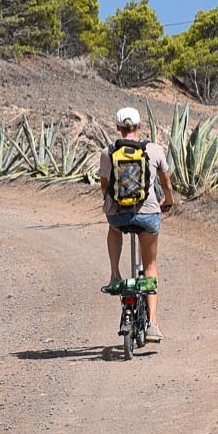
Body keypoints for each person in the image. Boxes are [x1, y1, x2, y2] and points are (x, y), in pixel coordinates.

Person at [98, 105, 165, 343]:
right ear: (139, 126)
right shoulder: (154, 150)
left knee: (113, 227)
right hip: (147, 215)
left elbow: (105, 186)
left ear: (117, 127)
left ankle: (115, 274)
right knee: (150, 265)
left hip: (118, 215)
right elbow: (166, 182)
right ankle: (154, 325)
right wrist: (167, 201)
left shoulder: (108, 153)